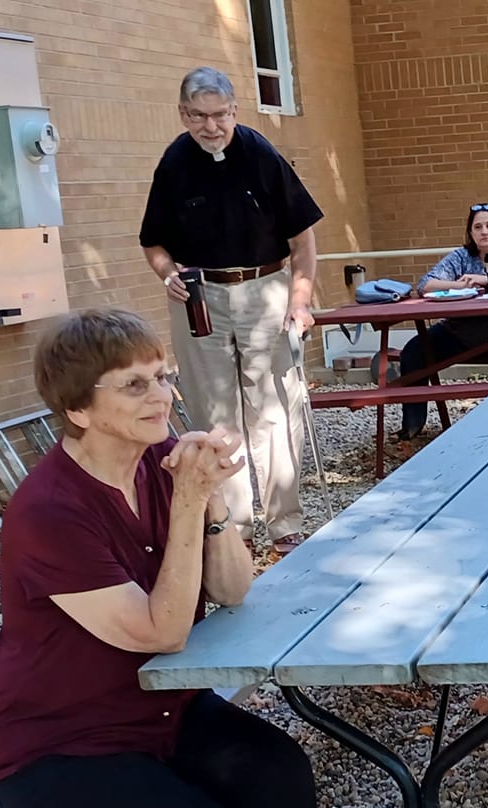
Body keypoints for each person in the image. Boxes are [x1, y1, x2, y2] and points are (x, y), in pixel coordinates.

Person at [0, 309, 320, 808]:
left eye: (162, 376)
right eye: (135, 384)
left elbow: (233, 590)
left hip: (161, 713)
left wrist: (210, 499)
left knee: (279, 774)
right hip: (60, 749)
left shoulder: (159, 461)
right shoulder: (49, 512)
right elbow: (164, 631)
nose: (161, 395)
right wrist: (189, 498)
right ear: (78, 409)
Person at [140, 66, 323, 555]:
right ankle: (234, 527)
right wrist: (167, 274)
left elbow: (302, 238)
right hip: (201, 297)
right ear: (183, 115)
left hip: (266, 289)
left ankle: (285, 523)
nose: (211, 126)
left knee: (274, 409)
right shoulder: (174, 163)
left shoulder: (260, 154)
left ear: (235, 112)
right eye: (199, 117)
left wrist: (300, 301)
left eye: (220, 115)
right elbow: (153, 241)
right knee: (213, 414)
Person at [396, 203, 488, 439]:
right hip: (463, 333)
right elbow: (426, 285)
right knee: (413, 353)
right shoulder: (460, 257)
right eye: (478, 227)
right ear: (470, 233)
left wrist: (485, 279)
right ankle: (412, 426)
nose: (484, 231)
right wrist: (460, 285)